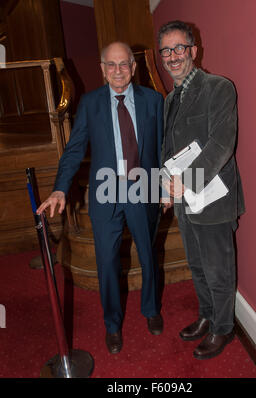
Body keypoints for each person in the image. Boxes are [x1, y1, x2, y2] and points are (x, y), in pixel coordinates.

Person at [37, 41, 164, 354]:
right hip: (106, 193)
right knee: (106, 262)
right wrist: (59, 187)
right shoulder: (91, 103)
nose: (118, 71)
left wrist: (163, 187)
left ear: (134, 68)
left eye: (124, 64)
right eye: (111, 65)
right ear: (102, 69)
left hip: (143, 187)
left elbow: (163, 147)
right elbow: (75, 148)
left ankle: (150, 309)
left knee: (148, 254)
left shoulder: (153, 100)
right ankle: (112, 325)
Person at [158, 20, 245, 360]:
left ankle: (224, 328)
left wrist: (187, 182)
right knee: (196, 265)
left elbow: (221, 144)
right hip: (182, 199)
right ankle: (207, 314)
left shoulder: (219, 87)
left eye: (179, 48)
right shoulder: (169, 100)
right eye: (166, 50)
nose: (173, 56)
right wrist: (165, 186)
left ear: (194, 51)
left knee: (218, 269)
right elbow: (168, 148)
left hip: (213, 198)